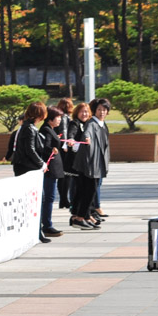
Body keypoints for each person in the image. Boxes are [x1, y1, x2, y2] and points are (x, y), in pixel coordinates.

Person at [11, 101, 50, 243]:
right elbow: (30, 150)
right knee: (37, 199)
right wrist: (41, 164)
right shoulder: (30, 129)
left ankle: (36, 231)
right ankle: (37, 232)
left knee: (34, 200)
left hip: (24, 167)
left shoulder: (26, 127)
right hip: (28, 169)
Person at [68, 102, 101, 230]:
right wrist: (71, 140)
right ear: (77, 112)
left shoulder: (89, 124)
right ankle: (80, 216)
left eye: (86, 112)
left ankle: (84, 215)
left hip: (88, 162)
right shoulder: (75, 123)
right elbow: (71, 134)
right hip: (78, 164)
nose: (84, 114)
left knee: (85, 190)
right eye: (82, 111)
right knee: (83, 190)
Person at [39, 106, 66, 240]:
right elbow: (44, 147)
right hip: (49, 169)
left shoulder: (51, 129)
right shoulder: (46, 130)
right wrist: (52, 149)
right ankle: (46, 225)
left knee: (49, 197)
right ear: (50, 118)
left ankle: (47, 224)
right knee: (48, 197)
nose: (60, 120)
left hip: (53, 169)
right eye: (58, 117)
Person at [88, 97, 112, 221]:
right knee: (94, 186)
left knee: (98, 184)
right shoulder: (92, 123)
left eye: (104, 109)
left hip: (101, 159)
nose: (102, 112)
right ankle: (95, 208)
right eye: (99, 109)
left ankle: (94, 209)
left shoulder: (103, 124)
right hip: (94, 161)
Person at [55, 97, 75, 209]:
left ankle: (63, 199)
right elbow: (64, 131)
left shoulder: (59, 116)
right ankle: (64, 199)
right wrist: (65, 145)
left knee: (62, 175)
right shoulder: (65, 117)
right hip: (65, 148)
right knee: (66, 175)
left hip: (61, 147)